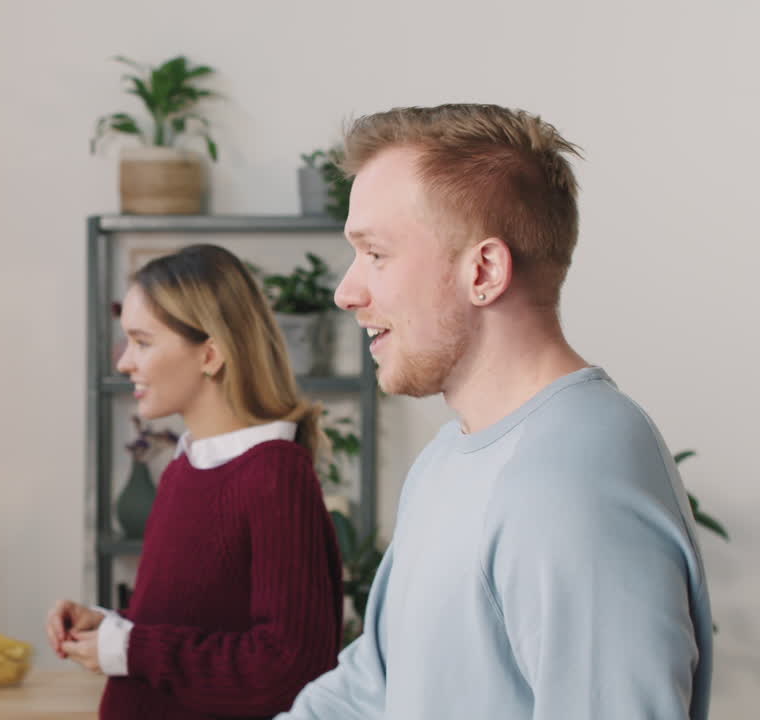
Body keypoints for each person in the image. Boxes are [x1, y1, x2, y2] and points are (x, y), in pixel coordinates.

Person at [278, 104, 713, 719]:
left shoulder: (575, 481)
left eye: (375, 254)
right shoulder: (450, 459)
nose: (346, 292)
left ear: (483, 270)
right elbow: (371, 690)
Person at [46, 245, 344, 719]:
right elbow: (192, 628)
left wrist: (129, 647)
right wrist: (111, 629)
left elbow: (287, 668)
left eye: (143, 342)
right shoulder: (184, 469)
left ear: (209, 354)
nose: (125, 363)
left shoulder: (275, 478)